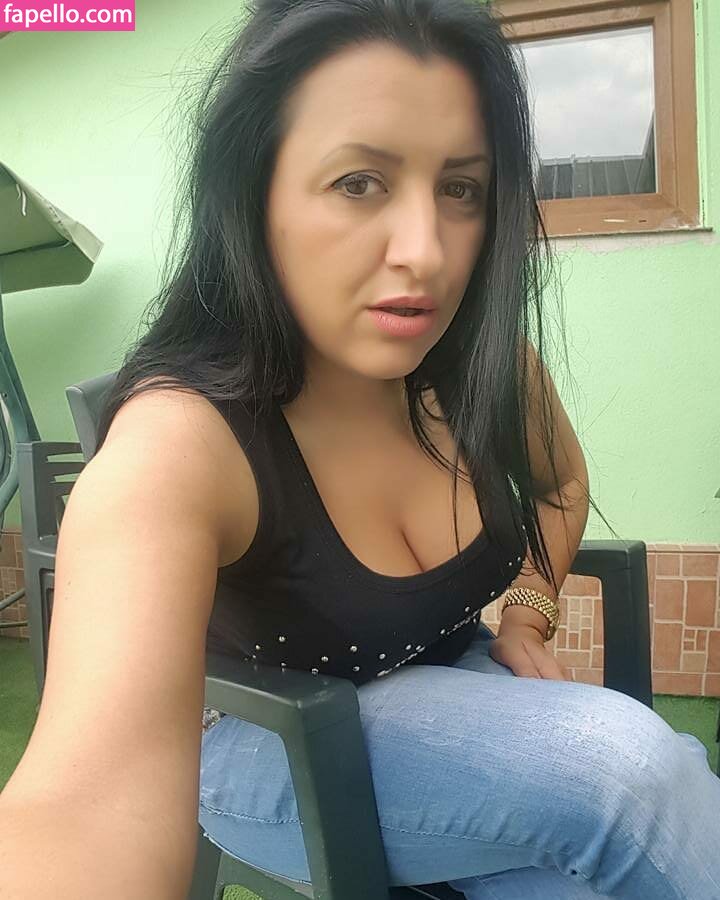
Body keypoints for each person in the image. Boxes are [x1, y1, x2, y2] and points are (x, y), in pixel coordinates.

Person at [1, 0, 719, 898]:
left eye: (460, 188)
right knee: (631, 772)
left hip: (458, 696)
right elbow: (84, 808)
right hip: (268, 753)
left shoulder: (481, 365)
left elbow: (560, 482)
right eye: (358, 183)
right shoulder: (183, 443)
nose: (425, 253)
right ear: (254, 195)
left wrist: (529, 613)